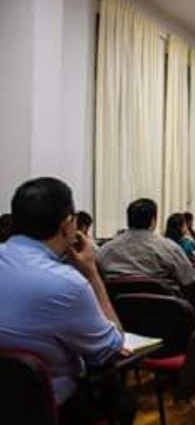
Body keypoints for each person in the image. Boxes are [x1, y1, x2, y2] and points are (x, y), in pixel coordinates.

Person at [0, 178, 133, 424]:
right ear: (67, 225)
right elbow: (110, 349)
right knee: (123, 399)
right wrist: (91, 272)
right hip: (47, 407)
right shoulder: (67, 283)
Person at [98, 198, 195, 289]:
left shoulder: (105, 250)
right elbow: (189, 281)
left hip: (117, 307)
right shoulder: (170, 249)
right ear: (153, 221)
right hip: (165, 306)